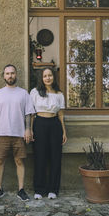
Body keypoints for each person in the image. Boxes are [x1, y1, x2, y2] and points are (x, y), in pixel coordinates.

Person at [0, 64, 35, 201]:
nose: (10, 76)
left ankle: (21, 190)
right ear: (4, 76)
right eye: (7, 73)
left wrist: (28, 129)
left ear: (16, 75)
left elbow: (28, 114)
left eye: (12, 73)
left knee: (19, 161)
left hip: (19, 134)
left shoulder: (23, 93)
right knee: (0, 161)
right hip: (1, 134)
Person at [30, 68, 67, 200]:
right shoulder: (34, 92)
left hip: (55, 124)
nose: (47, 78)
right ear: (41, 78)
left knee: (55, 158)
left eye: (50, 75)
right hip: (39, 124)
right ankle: (39, 189)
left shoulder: (59, 94)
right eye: (45, 76)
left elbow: (61, 114)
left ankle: (53, 189)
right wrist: (30, 129)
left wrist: (64, 131)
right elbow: (31, 114)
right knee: (40, 157)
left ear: (53, 77)